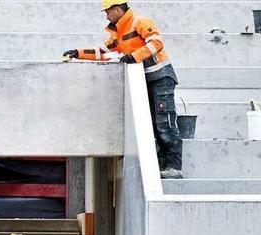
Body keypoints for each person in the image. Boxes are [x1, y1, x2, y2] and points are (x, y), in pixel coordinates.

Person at [63, 0, 183, 179]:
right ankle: (162, 165)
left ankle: (173, 166)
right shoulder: (118, 32)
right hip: (146, 80)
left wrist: (133, 57)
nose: (106, 15)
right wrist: (77, 53)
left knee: (164, 123)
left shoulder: (140, 22)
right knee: (152, 124)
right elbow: (102, 52)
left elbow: (156, 43)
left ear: (118, 9)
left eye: (107, 11)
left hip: (161, 78)